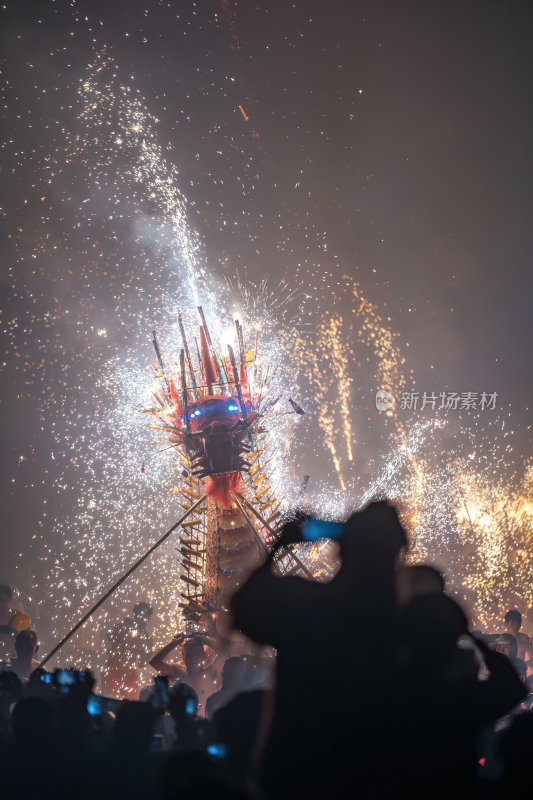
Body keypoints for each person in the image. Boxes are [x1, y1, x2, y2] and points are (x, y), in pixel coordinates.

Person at [232, 501, 407, 798]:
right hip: (371, 776)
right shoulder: (411, 624)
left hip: (295, 771)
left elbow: (243, 610)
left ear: (343, 549)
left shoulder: (309, 607)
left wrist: (278, 549)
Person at [149, 634, 223, 716]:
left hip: (203, 723)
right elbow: (154, 662)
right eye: (189, 655)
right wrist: (174, 643)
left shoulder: (209, 672)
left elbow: (225, 653)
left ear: (203, 656)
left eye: (197, 654)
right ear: (183, 656)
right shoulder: (176, 670)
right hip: (182, 724)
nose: (193, 658)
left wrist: (204, 639)